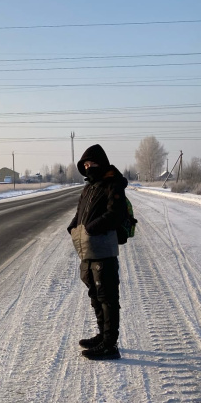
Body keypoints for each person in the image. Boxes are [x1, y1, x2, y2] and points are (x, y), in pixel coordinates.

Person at [67, 144, 128, 360]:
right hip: (87, 250)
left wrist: (91, 228)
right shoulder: (89, 187)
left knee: (108, 297)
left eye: (91, 163)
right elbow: (80, 213)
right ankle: (102, 336)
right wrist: (74, 226)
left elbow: (116, 213)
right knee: (95, 294)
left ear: (101, 163)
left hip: (104, 249)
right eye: (85, 164)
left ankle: (110, 345)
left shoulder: (112, 184)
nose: (87, 166)